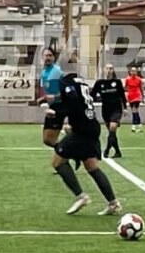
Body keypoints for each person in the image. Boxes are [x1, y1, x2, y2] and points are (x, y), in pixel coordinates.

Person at [48, 72, 123, 216]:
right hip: (92, 126)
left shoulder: (66, 82)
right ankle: (113, 203)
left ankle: (81, 196)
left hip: (82, 130)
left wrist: (57, 113)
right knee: (91, 166)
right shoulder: (81, 81)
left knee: (58, 162)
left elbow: (72, 98)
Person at [91, 64, 127, 158]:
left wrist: (125, 108)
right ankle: (117, 152)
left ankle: (106, 150)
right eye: (107, 68)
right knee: (112, 132)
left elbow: (122, 96)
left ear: (113, 70)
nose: (109, 70)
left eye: (111, 68)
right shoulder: (99, 83)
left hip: (116, 109)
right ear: (104, 70)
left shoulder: (117, 82)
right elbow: (92, 95)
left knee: (112, 127)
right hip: (106, 110)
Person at [36, 48, 64, 148]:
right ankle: (68, 150)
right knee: (47, 140)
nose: (47, 58)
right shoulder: (44, 72)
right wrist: (43, 98)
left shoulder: (57, 71)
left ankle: (68, 151)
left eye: (50, 55)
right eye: (46, 55)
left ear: (54, 57)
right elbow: (48, 92)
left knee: (50, 139)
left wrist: (55, 97)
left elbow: (66, 91)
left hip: (60, 107)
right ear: (42, 57)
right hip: (52, 107)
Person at [124, 66, 144, 132]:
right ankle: (139, 125)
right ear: (130, 72)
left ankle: (134, 125)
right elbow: (125, 88)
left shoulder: (139, 79)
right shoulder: (127, 79)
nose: (133, 72)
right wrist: (124, 95)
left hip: (137, 96)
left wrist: (143, 97)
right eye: (132, 71)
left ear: (137, 72)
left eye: (135, 71)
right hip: (130, 96)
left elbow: (141, 88)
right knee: (135, 111)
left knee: (134, 109)